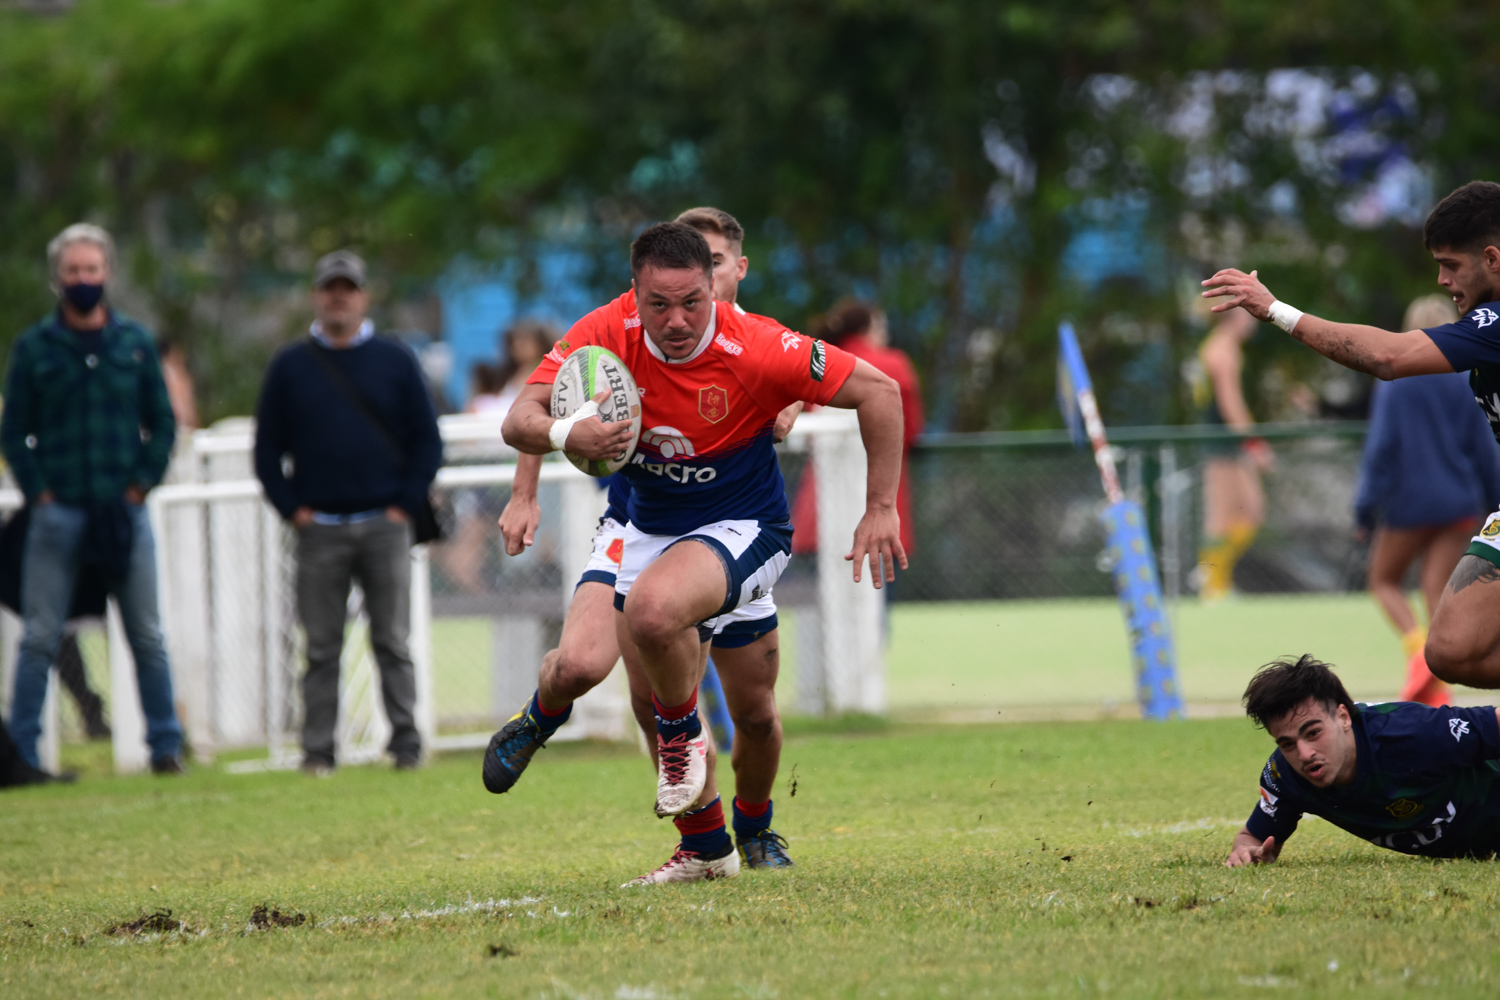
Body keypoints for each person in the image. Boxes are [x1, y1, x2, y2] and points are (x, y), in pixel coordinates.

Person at [501, 222, 904, 885]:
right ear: (635, 295)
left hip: (744, 528)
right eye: (659, 304)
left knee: (748, 706)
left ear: (723, 279)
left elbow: (879, 392)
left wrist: (880, 507)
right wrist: (570, 430)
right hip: (648, 527)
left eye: (693, 299)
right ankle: (706, 848)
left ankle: (750, 818)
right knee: (635, 679)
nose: (678, 320)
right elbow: (520, 417)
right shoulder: (609, 331)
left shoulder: (759, 346)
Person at [1202, 180, 1500, 689]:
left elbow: (1387, 358)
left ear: (1492, 259)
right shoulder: (1482, 331)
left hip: (1416, 504)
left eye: (1451, 265)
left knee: (1393, 589)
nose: (1441, 279)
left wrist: (1277, 310)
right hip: (1467, 504)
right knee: (1449, 648)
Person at [0, 223, 184, 774]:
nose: (84, 279)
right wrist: (41, 493)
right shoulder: (36, 348)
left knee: (146, 633)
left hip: (120, 511)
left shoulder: (133, 343)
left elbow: (164, 422)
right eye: (74, 271)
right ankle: (23, 757)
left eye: (93, 270)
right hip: (58, 514)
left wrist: (140, 484)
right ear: (59, 277)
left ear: (108, 274)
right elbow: (13, 431)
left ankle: (166, 748)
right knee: (40, 636)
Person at [253, 250, 443, 775]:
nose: (339, 297)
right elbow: (267, 450)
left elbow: (427, 441)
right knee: (319, 647)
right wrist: (293, 509)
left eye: (349, 288)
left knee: (392, 641)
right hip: (321, 530)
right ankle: (318, 753)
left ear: (363, 296)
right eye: (330, 288)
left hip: (385, 524)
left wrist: (404, 504)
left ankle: (406, 745)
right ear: (317, 295)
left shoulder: (395, 359)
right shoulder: (290, 365)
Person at [1354, 294, 1500, 706]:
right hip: (1459, 502)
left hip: (1408, 503)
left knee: (1383, 581)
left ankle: (1418, 652)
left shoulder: (1396, 383)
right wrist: (1494, 498)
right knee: (1439, 591)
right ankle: (1435, 683)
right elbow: (1485, 446)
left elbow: (1381, 448)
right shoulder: (1467, 375)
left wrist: (1365, 509)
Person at [1225, 654, 1500, 865]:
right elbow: (1252, 838)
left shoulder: (1410, 731)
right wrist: (1246, 852)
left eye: (1313, 732)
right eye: (1287, 744)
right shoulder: (1286, 776)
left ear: (1343, 717)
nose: (1305, 754)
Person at [790, 298, 924, 581]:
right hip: (877, 504)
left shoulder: (818, 364)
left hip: (820, 509)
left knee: (818, 608)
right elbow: (910, 430)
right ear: (870, 328)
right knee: (874, 599)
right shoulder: (893, 364)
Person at [1190, 307, 1273, 602]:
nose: (1253, 322)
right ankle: (1212, 584)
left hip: (1225, 443)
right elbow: (1230, 403)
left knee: (1249, 513)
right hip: (1223, 444)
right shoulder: (1223, 348)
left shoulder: (1220, 345)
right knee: (1223, 517)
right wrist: (1253, 443)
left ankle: (1213, 578)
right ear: (1234, 317)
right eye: (1248, 315)